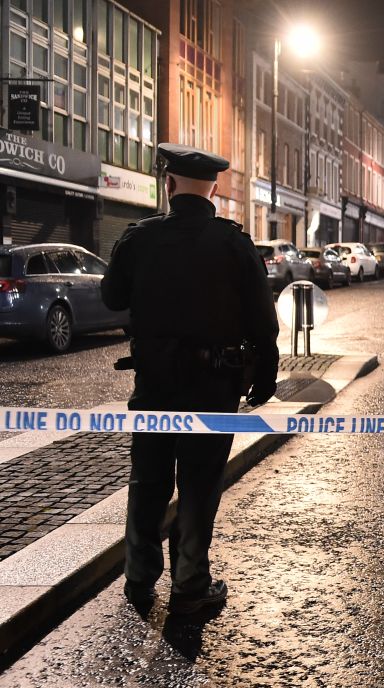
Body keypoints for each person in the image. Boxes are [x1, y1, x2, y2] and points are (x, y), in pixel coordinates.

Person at [101, 143, 279, 619]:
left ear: (170, 184)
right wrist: (265, 372)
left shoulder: (139, 238)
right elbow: (263, 321)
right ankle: (190, 586)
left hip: (155, 384)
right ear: (214, 190)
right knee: (200, 486)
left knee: (148, 482)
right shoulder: (235, 243)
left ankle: (139, 580)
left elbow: (111, 296)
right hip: (213, 388)